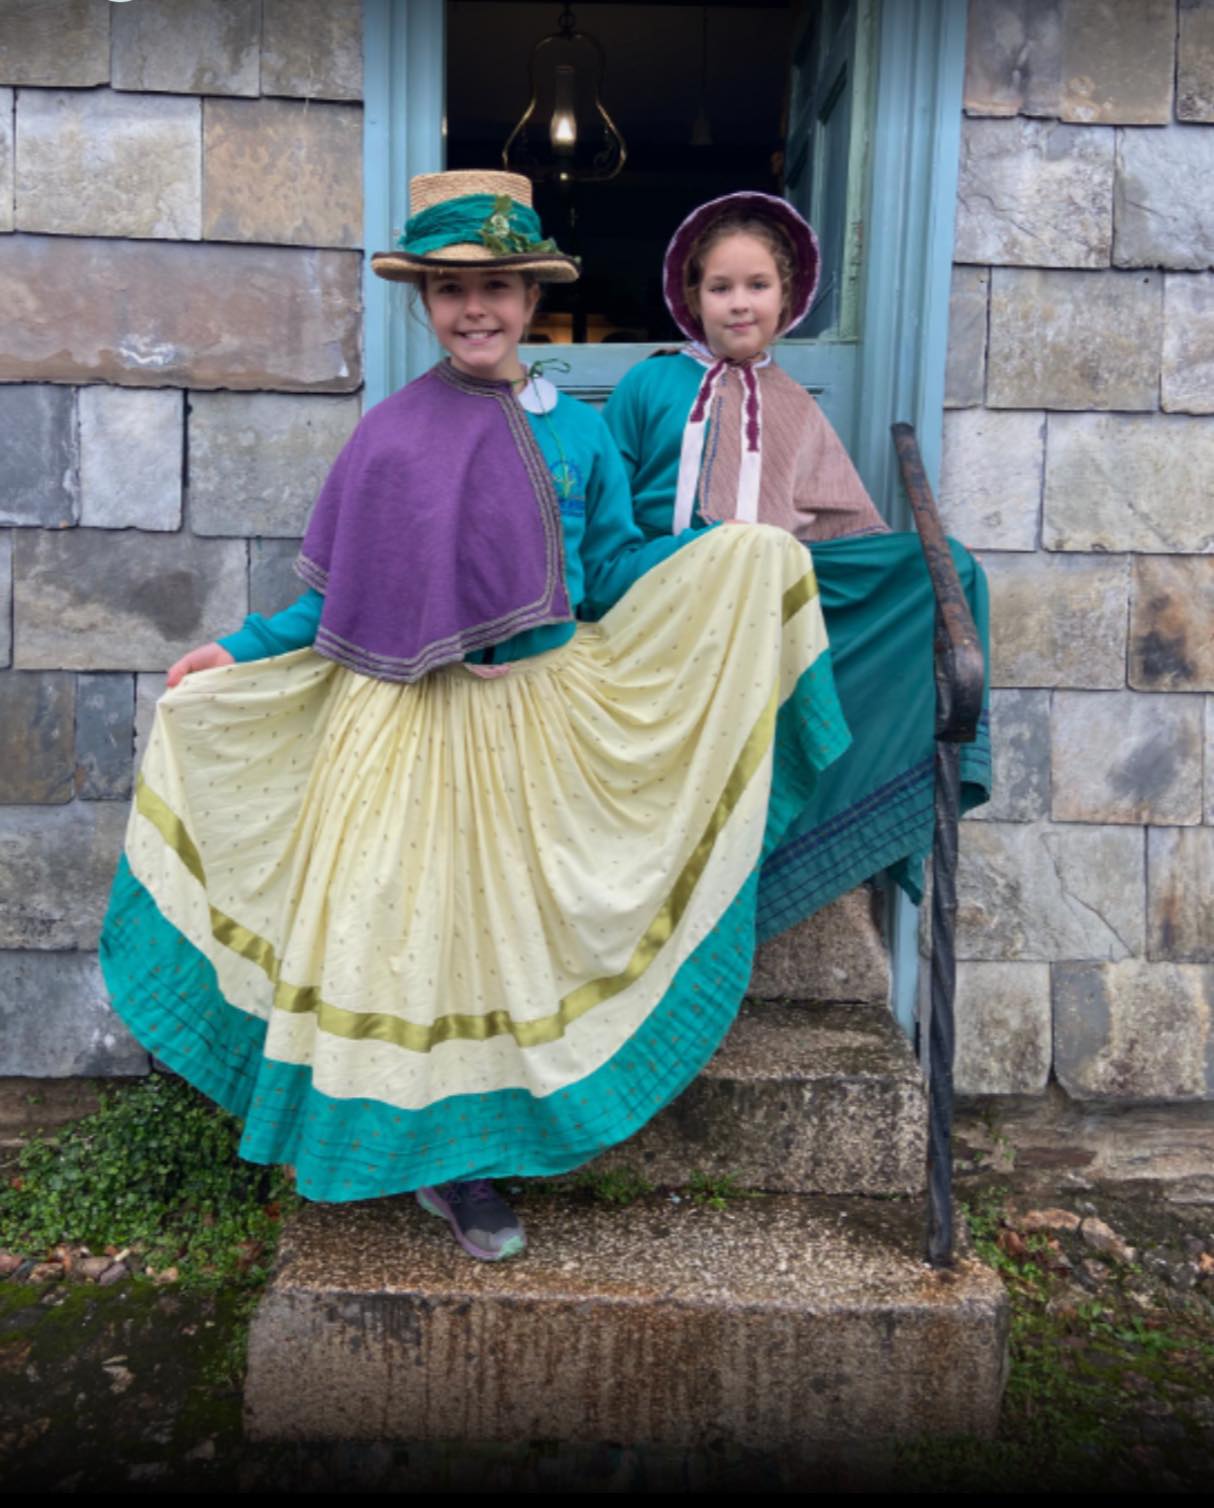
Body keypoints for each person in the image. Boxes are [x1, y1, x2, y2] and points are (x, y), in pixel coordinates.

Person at [99, 171, 851, 1264]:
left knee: (512, 933)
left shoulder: (580, 433)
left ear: (530, 297)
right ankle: (449, 1167)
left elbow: (604, 574)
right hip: (403, 719)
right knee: (415, 935)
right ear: (424, 300)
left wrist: (725, 553)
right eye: (452, 290)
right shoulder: (390, 437)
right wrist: (237, 649)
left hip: (533, 718)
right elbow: (331, 599)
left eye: (498, 286)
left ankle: (492, 1136)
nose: (476, 309)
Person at [603, 192, 991, 943]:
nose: (739, 305)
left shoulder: (796, 407)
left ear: (787, 297)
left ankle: (853, 789)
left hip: (768, 596)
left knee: (947, 570)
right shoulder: (650, 385)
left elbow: (847, 526)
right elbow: (605, 504)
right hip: (662, 588)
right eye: (721, 287)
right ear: (692, 298)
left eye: (757, 287)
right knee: (743, 548)